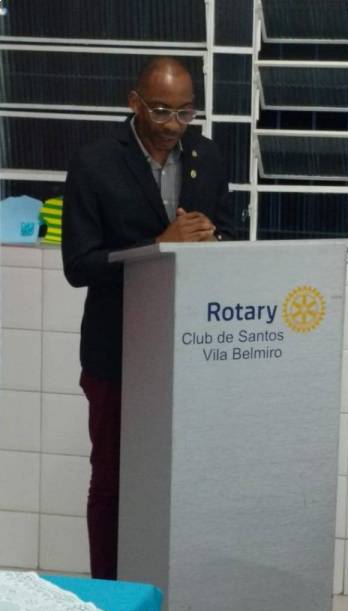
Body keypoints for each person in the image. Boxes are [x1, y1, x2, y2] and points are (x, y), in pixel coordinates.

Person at [62, 57, 236, 580]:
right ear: (134, 102)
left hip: (190, 353)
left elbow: (228, 232)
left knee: (184, 478)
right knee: (113, 481)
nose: (172, 125)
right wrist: (159, 246)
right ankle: (111, 597)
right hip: (117, 353)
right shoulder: (95, 162)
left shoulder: (208, 154)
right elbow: (79, 266)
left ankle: (175, 587)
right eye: (160, 111)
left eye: (185, 112)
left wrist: (213, 239)